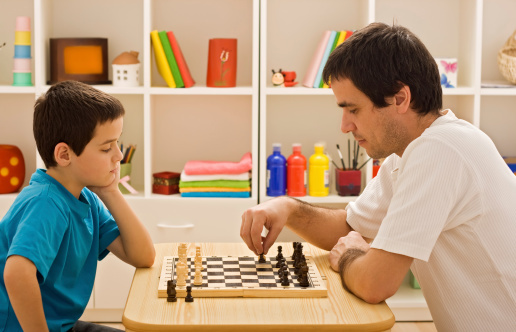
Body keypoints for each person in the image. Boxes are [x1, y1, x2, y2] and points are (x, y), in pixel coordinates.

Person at [240, 23, 516, 331]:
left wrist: (351, 256)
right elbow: (350, 226)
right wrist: (287, 208)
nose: (344, 126)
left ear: (400, 99)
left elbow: (375, 283)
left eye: (353, 109)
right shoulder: (408, 152)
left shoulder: (440, 150)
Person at [0, 81, 156, 332]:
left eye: (117, 143)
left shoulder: (86, 198)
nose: (118, 155)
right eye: (107, 147)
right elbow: (16, 274)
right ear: (64, 155)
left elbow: (143, 256)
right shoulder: (46, 202)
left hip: (62, 325)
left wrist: (111, 192)